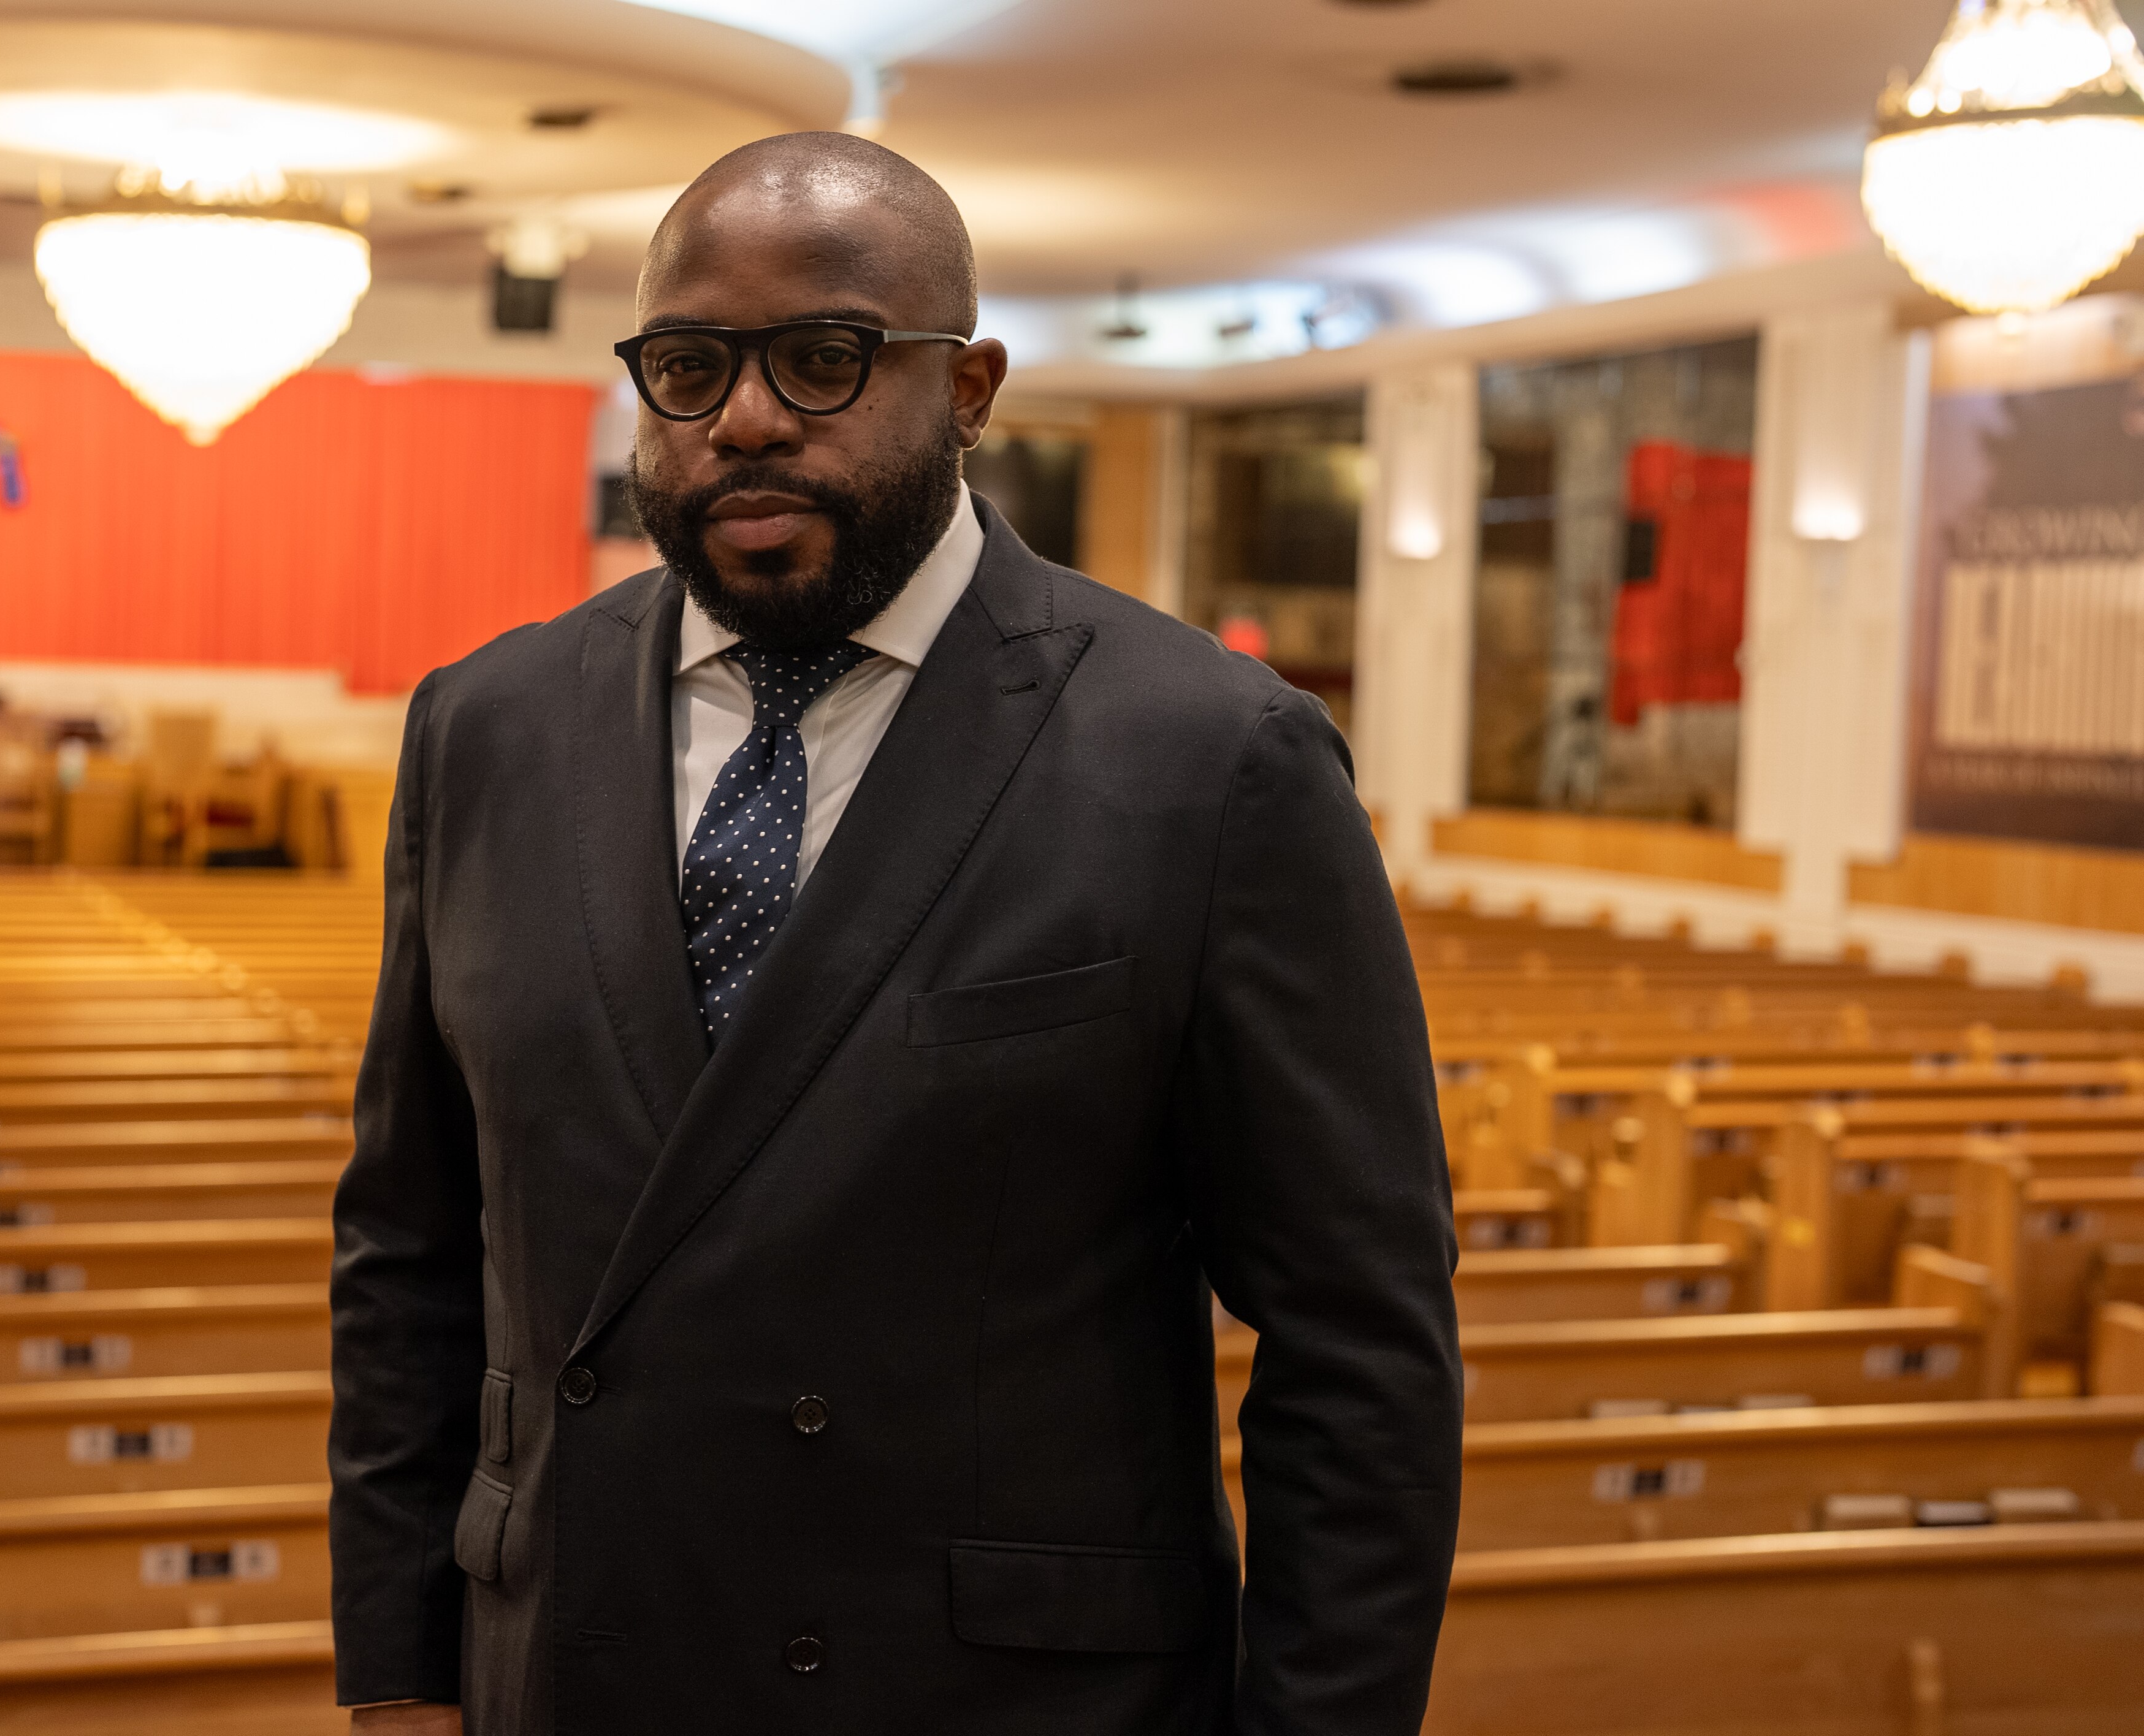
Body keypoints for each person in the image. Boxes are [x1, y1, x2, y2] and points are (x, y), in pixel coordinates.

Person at [331, 131, 1461, 1736]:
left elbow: (1363, 1346)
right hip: (577, 1657)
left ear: (972, 386)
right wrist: (396, 1673)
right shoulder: (488, 727)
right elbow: (410, 1252)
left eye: (823, 359)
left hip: (998, 1696)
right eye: (687, 365)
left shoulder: (1210, 758)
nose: (744, 419)